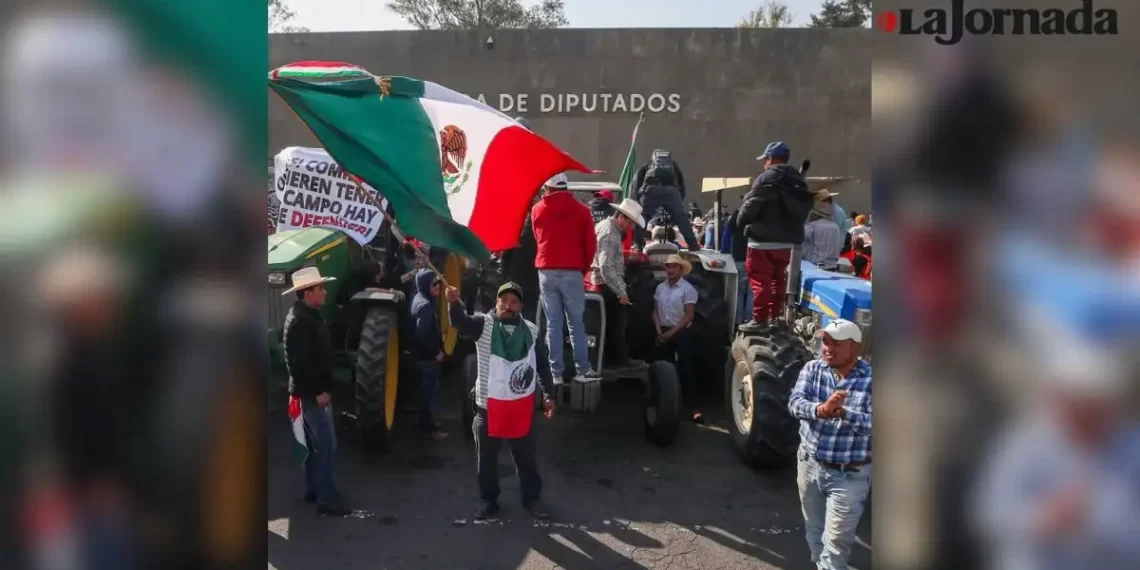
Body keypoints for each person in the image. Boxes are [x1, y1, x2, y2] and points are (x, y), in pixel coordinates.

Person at [445, 282, 557, 521]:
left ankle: (532, 497)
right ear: (496, 303)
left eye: (513, 301)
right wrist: (453, 303)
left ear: (521, 306)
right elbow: (460, 322)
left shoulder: (531, 330)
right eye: (503, 300)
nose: (508, 305)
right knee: (486, 461)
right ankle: (488, 500)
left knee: (526, 459)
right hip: (488, 409)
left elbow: (542, 366)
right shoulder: (483, 326)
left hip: (521, 408)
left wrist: (548, 395)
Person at [787, 319, 872, 570]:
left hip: (850, 474)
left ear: (854, 348)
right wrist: (821, 409)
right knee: (814, 529)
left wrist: (844, 413)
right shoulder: (812, 369)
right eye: (825, 341)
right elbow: (794, 403)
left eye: (836, 343)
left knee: (836, 541)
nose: (828, 348)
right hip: (810, 464)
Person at [282, 267, 352, 517]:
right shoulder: (301, 321)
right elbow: (300, 364)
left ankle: (314, 489)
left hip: (309, 393)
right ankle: (327, 498)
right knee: (325, 444)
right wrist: (319, 392)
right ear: (307, 293)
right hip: (312, 396)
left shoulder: (309, 316)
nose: (324, 291)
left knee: (314, 445)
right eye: (320, 288)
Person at [736, 141, 814, 332]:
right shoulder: (798, 181)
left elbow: (751, 206)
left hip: (761, 242)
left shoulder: (766, 178)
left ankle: (759, 319)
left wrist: (740, 221)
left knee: (760, 281)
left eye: (765, 159)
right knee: (777, 280)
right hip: (786, 244)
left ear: (769, 159)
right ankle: (774, 317)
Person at [531, 173, 601, 383]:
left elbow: (538, 238)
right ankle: (582, 370)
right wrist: (582, 269)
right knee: (576, 323)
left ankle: (556, 373)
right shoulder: (582, 211)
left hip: (546, 269)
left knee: (552, 323)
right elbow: (590, 245)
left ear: (548, 188)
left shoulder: (537, 209)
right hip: (572, 270)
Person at [590, 199, 649, 372]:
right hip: (607, 284)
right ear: (622, 217)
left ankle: (611, 358)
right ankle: (621, 360)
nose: (630, 227)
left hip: (606, 282)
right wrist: (620, 291)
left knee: (612, 325)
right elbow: (606, 265)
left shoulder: (608, 228)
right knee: (618, 324)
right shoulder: (609, 232)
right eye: (630, 222)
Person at [652, 255, 703, 423]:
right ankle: (662, 404)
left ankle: (694, 406)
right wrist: (660, 331)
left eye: (674, 267)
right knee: (662, 368)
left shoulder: (688, 289)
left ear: (681, 270)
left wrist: (671, 332)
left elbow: (689, 316)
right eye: (668, 267)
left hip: (681, 331)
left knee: (687, 367)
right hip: (663, 331)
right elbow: (655, 312)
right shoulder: (660, 288)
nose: (670, 270)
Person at [633, 149, 700, 251]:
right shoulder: (673, 166)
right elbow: (681, 184)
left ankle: (638, 245)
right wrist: (678, 201)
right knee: (682, 220)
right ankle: (693, 244)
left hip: (651, 191)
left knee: (643, 219)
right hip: (671, 192)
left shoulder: (647, 166)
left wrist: (638, 198)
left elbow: (636, 183)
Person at [410, 269, 448, 440]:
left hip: (423, 358)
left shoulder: (420, 298)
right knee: (428, 394)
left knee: (426, 392)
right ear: (426, 285)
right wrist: (436, 353)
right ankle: (427, 429)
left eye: (438, 282)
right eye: (434, 284)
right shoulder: (425, 306)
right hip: (427, 359)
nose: (438, 286)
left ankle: (428, 423)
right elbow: (421, 335)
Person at [803, 201, 844, 270]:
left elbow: (799, 238)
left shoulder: (813, 226)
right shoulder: (836, 226)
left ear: (816, 214)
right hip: (832, 265)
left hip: (817, 265)